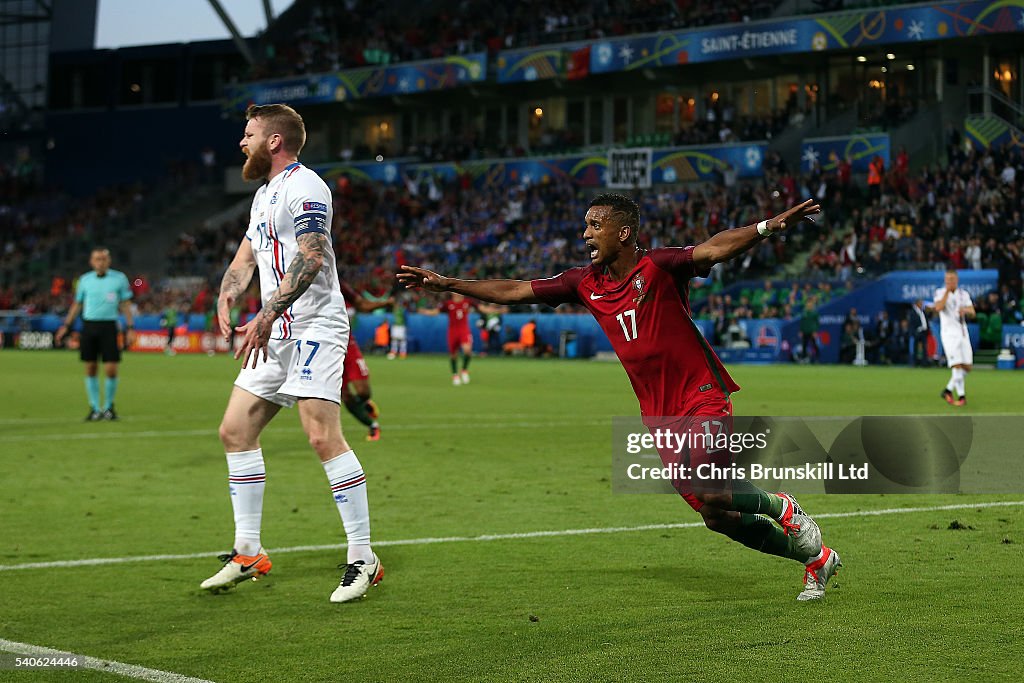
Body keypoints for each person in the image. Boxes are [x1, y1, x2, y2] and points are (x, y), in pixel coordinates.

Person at [399, 193, 840, 601]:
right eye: (586, 225)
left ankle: (782, 505)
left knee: (715, 490)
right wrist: (447, 283)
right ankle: (814, 560)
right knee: (716, 516)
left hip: (702, 395)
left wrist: (768, 226)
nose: (585, 234)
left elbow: (713, 249)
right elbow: (516, 290)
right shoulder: (583, 283)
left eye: (594, 225)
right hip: (659, 416)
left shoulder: (661, 267)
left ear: (622, 232)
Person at [201, 103, 381, 603]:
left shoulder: (306, 187)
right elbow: (245, 257)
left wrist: (265, 312)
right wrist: (228, 291)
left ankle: (364, 557)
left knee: (322, 437)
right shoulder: (263, 196)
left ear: (274, 141)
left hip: (313, 327)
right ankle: (248, 551)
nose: (242, 142)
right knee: (235, 431)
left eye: (249, 133)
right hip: (274, 329)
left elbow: (312, 255)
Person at [55, 247, 135, 421]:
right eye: (97, 259)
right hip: (89, 326)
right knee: (90, 367)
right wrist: (66, 326)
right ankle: (94, 408)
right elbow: (77, 304)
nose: (101, 262)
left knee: (111, 368)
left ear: (109, 261)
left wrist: (130, 327)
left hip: (109, 326)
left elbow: (125, 304)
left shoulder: (119, 278)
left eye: (104, 258)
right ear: (91, 262)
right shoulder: (84, 280)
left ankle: (108, 407)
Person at [339, 279, 392, 441]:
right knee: (345, 395)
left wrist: (385, 304)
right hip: (325, 349)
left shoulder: (340, 286)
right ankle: (372, 426)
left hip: (348, 344)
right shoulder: (303, 286)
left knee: (363, 392)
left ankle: (363, 403)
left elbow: (361, 304)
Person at [932, 269, 975, 406]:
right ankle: (962, 396)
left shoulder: (964, 294)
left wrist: (966, 310)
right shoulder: (939, 292)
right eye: (947, 279)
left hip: (963, 332)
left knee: (967, 366)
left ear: (957, 280)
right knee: (956, 364)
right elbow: (938, 308)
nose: (949, 282)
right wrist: (946, 292)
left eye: (952, 279)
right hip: (949, 334)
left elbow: (973, 312)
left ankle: (948, 390)